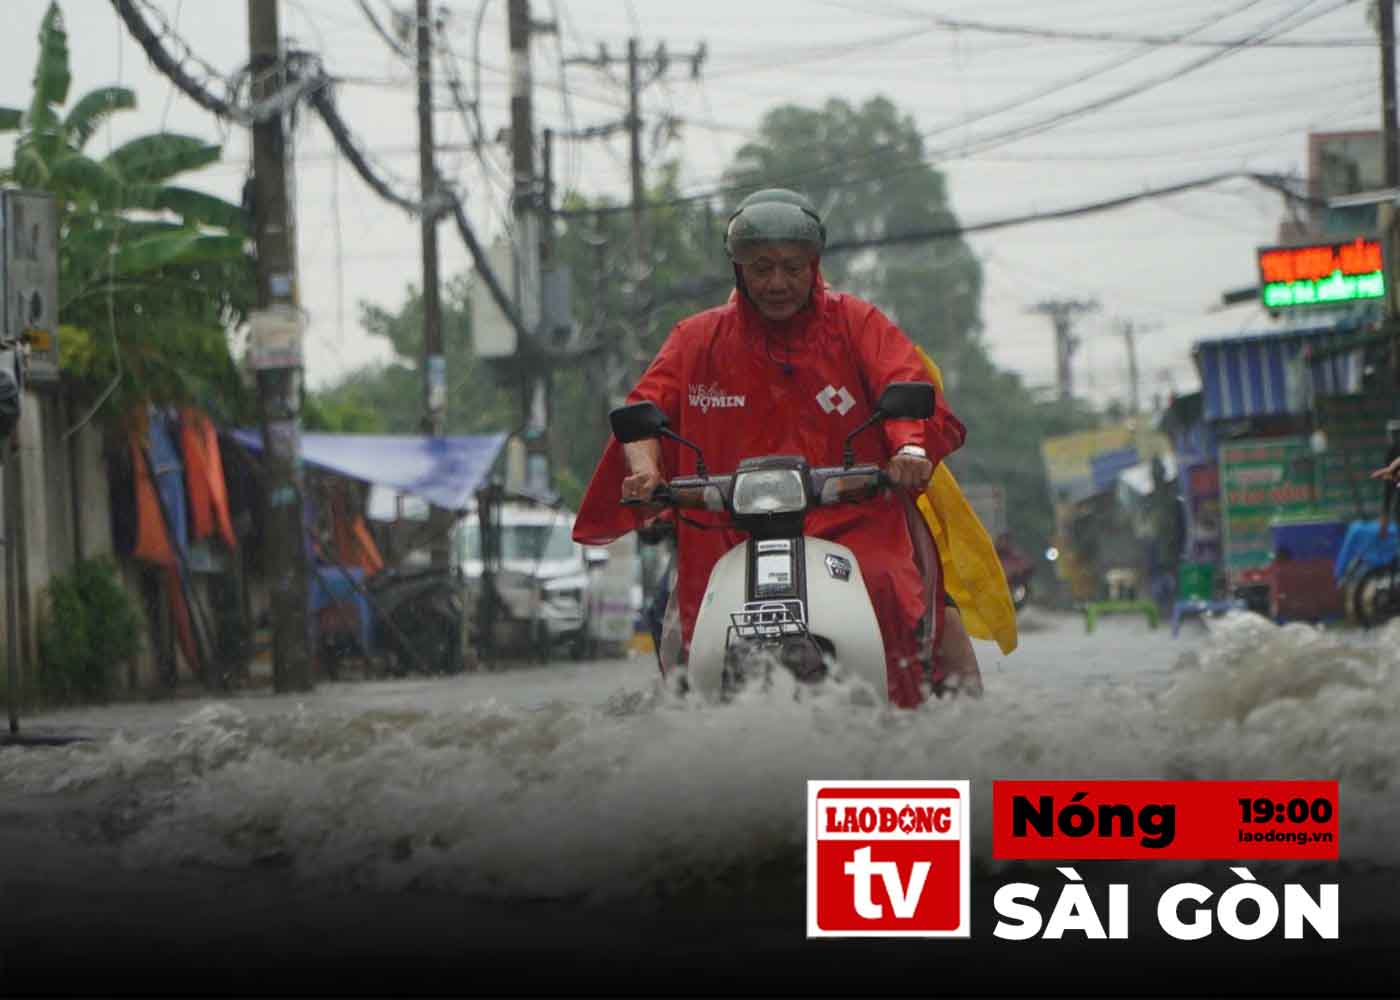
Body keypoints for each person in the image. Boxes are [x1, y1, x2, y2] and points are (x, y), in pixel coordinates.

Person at [572, 188, 979, 707]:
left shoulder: (856, 324)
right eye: (761, 268)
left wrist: (909, 453)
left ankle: (901, 718)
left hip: (853, 521)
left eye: (792, 267)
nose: (777, 283)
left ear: (814, 265)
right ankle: (691, 732)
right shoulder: (696, 339)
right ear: (739, 270)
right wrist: (646, 472)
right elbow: (645, 411)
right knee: (672, 618)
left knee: (892, 588)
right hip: (725, 527)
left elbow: (903, 391)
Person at [1370, 419, 1400, 538]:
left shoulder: (1393, 450)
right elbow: (1390, 484)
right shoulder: (1393, 451)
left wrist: (1385, 517)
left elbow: (1389, 487)